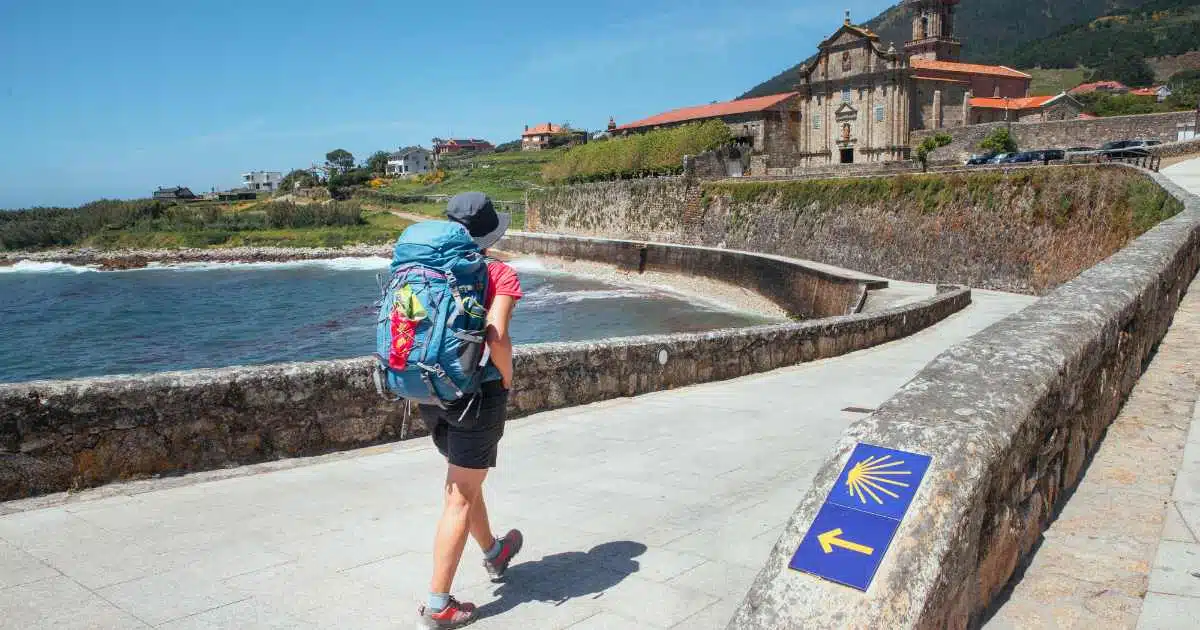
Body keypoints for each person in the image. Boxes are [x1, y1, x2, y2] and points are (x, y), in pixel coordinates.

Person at [417, 192, 524, 629]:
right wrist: (508, 377)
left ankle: (495, 552)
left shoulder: (429, 269)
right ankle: (438, 605)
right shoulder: (498, 272)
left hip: (430, 392)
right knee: (459, 495)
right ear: (490, 233)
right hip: (476, 396)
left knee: (464, 481)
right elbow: (497, 336)